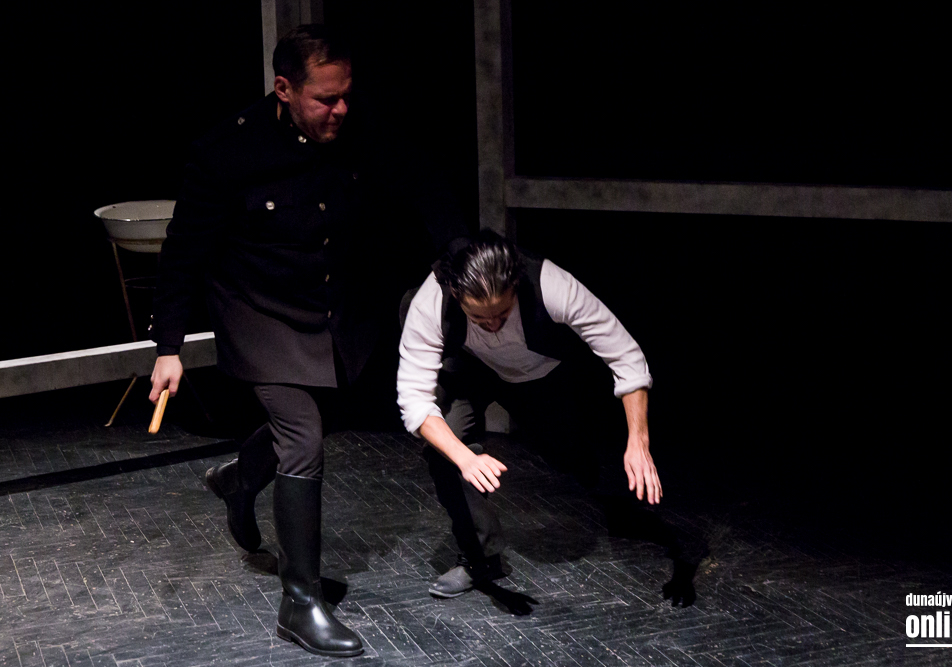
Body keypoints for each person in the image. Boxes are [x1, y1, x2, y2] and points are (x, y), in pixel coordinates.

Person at [148, 25, 466, 658]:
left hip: (333, 309)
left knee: (325, 416)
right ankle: (301, 601)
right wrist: (168, 346)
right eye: (325, 98)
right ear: (284, 88)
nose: (340, 109)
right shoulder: (227, 151)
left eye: (346, 94)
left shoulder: (359, 127)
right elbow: (183, 251)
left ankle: (240, 479)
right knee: (303, 437)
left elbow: (423, 180)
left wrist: (459, 252)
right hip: (259, 312)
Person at [398, 232, 696, 602]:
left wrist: (639, 440)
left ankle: (594, 480)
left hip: (537, 376)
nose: (492, 325)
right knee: (445, 449)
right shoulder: (430, 301)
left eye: (502, 314)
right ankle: (480, 559)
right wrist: (463, 456)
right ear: (457, 296)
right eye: (479, 317)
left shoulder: (551, 285)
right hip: (468, 368)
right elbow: (414, 401)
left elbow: (626, 357)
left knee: (567, 454)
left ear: (515, 286)